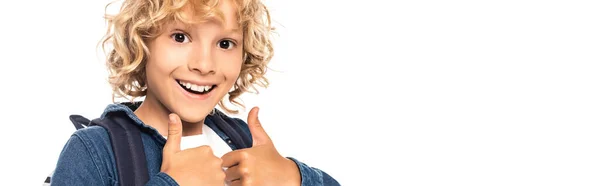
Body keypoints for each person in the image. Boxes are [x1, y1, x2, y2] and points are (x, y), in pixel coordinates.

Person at [50, 0, 340, 185]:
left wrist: (293, 177)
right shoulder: (96, 152)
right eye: (180, 37)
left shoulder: (243, 142)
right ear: (141, 41)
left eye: (225, 43)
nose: (204, 65)